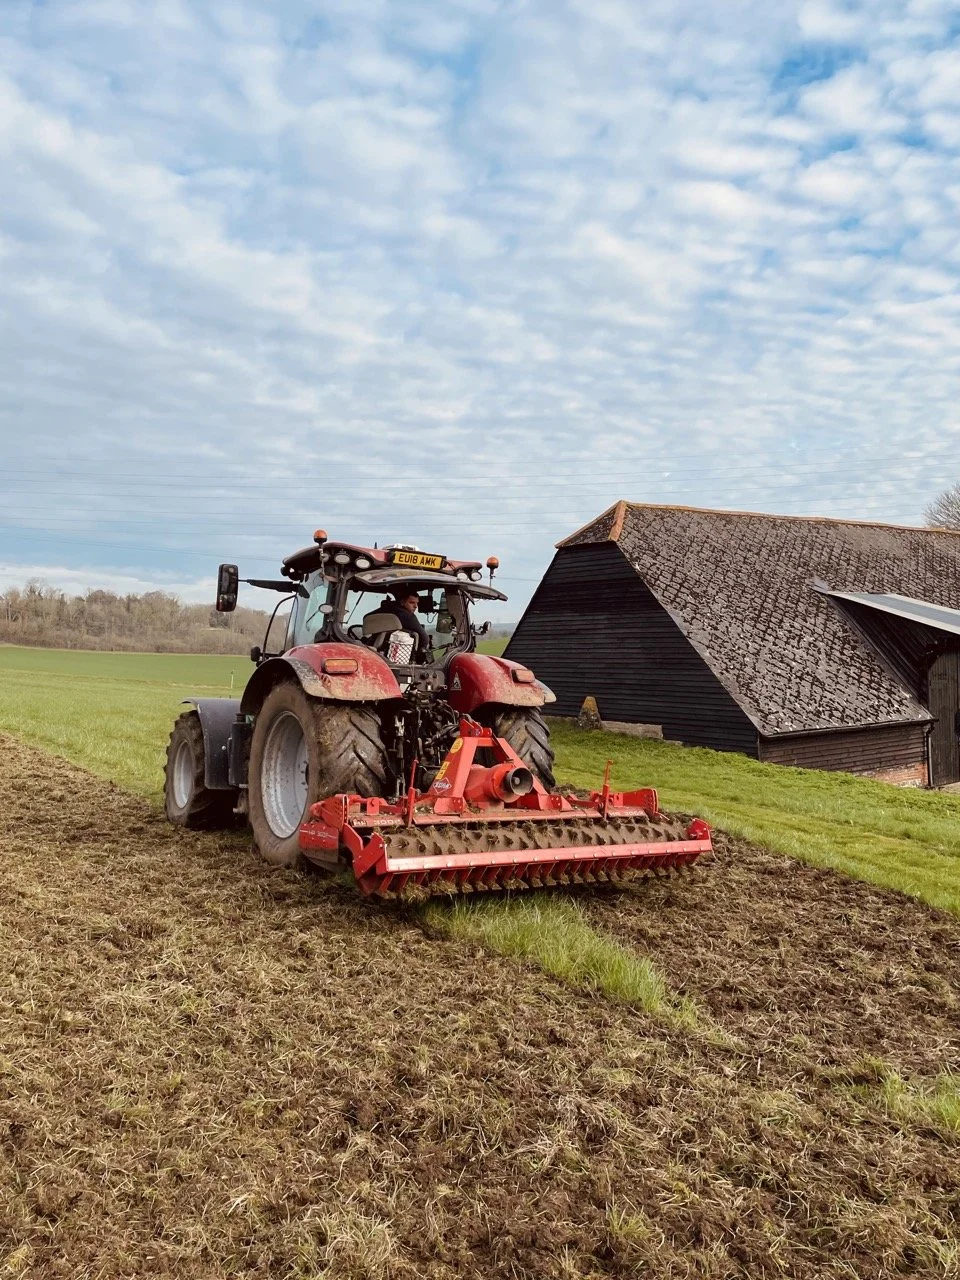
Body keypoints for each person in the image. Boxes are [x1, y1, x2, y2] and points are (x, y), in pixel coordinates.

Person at [381, 589, 431, 660]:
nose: (416, 606)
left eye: (417, 603)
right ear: (402, 602)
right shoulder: (408, 616)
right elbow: (424, 638)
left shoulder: (383, 612)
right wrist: (421, 652)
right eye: (411, 602)